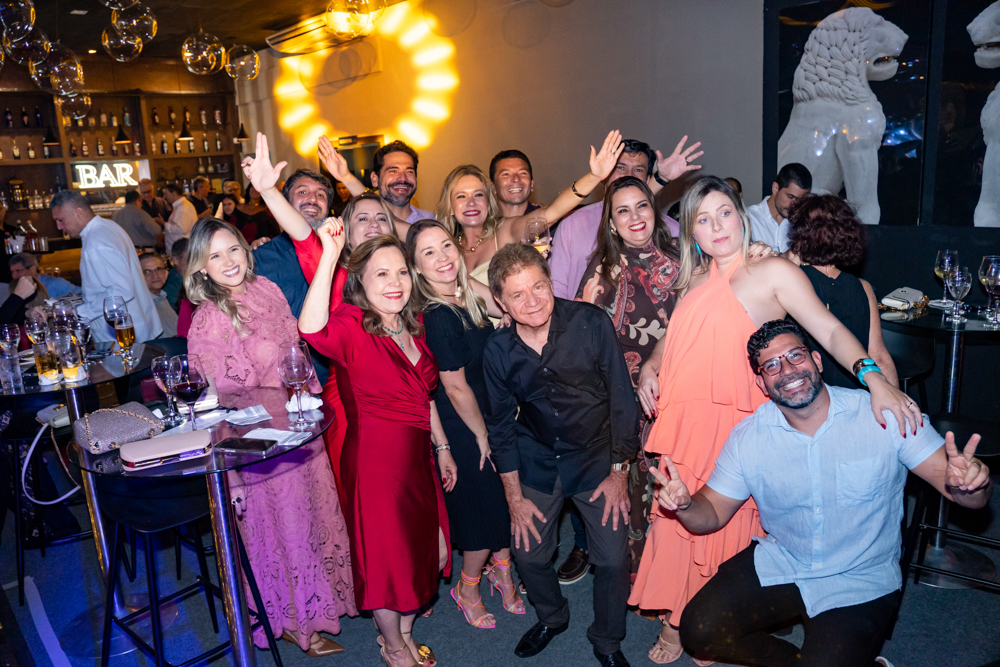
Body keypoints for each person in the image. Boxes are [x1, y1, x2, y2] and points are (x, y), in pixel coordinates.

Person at [629, 176, 920, 665]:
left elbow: (829, 329)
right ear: (691, 232)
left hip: (735, 421)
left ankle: (705, 618)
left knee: (724, 521)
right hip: (685, 418)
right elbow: (672, 337)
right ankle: (675, 618)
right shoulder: (694, 278)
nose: (717, 227)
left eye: (725, 213)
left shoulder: (773, 271)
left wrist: (874, 378)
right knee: (677, 516)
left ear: (741, 216)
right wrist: (650, 367)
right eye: (704, 219)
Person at [656, 319, 993, 666]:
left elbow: (963, 493)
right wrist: (685, 505)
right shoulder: (748, 437)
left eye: (795, 355)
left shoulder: (884, 415)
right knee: (699, 631)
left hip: (859, 578)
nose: (787, 370)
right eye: (771, 365)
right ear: (761, 382)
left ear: (816, 360)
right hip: (786, 561)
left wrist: (972, 485)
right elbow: (711, 512)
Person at [184, 217, 357, 656]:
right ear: (201, 267)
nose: (229, 261)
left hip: (299, 430)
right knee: (284, 534)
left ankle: (320, 606)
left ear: (246, 250)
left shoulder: (267, 289)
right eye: (215, 255)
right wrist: (233, 476)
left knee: (314, 522)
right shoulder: (208, 320)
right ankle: (298, 626)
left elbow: (296, 355)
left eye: (233, 249)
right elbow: (214, 408)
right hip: (258, 449)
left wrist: (306, 407)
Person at [299, 227, 454, 667]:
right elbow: (310, 328)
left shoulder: (412, 325)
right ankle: (393, 646)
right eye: (381, 274)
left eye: (401, 272)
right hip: (375, 465)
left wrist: (442, 446)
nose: (395, 282)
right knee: (386, 562)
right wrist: (330, 254)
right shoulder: (352, 326)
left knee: (427, 550)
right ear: (361, 282)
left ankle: (403, 632)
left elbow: (424, 397)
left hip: (417, 460)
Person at [483, 244, 639, 667]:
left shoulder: (590, 323)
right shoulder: (497, 350)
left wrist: (619, 473)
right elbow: (500, 427)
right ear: (500, 301)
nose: (532, 300)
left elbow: (622, 400)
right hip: (538, 457)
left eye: (538, 286)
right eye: (517, 294)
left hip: (596, 457)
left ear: (551, 281)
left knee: (612, 558)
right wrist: (514, 498)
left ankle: (607, 641)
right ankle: (553, 617)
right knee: (528, 555)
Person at [405, 219, 524, 630]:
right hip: (464, 422)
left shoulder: (461, 293)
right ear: (415, 267)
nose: (442, 257)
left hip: (487, 412)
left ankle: (502, 572)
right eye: (429, 253)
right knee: (484, 509)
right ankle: (467, 587)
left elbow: (499, 304)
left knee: (505, 497)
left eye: (446, 246)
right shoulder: (437, 314)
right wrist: (482, 434)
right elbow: (455, 387)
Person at [574, 176, 680, 582]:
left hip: (684, 388)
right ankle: (646, 578)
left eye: (642, 206)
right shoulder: (603, 271)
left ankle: (680, 578)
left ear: (655, 211)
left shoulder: (684, 256)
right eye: (623, 210)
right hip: (631, 399)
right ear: (612, 223)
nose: (635, 217)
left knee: (682, 486)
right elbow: (583, 346)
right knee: (642, 490)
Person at [440, 131, 625, 290]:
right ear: (450, 205)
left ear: (487, 199)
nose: (471, 202)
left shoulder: (503, 231)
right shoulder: (443, 245)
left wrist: (594, 177)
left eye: (478, 195)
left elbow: (550, 213)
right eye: (461, 196)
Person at [550, 136, 703, 301]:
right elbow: (556, 286)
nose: (628, 175)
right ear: (604, 175)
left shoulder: (671, 230)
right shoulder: (574, 223)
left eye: (638, 170)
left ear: (647, 179)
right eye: (621, 167)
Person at [786, 194, 898, 388]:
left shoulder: (790, 282)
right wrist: (897, 400)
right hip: (857, 394)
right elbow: (879, 356)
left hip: (809, 395)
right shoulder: (864, 288)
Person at [50, 191, 161, 343]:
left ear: (78, 212)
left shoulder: (96, 241)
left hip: (122, 333)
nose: (59, 226)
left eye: (60, 220)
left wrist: (78, 312)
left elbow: (121, 291)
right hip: (137, 324)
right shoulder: (108, 226)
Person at [252, 167, 333, 317]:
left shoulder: (341, 255)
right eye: (302, 192)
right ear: (285, 202)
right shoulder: (261, 258)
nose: (313, 199)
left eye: (320, 195)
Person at [745, 162, 812, 254]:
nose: (795, 204)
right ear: (775, 188)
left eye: (801, 200)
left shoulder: (803, 224)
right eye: (791, 197)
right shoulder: (748, 218)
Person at [489, 149, 541, 218]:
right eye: (506, 174)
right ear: (493, 187)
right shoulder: (483, 223)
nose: (516, 179)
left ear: (531, 184)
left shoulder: (547, 220)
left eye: (523, 173)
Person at [138, 253, 179, 337]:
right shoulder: (140, 305)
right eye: (147, 272)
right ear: (138, 277)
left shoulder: (162, 297)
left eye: (158, 269)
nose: (155, 275)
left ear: (166, 273)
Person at [9, 253, 78, 298]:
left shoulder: (55, 283)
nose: (14, 276)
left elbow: (80, 295)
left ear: (33, 269)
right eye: (12, 272)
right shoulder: (15, 288)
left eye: (18, 271)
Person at [162, 183, 198, 256]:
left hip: (181, 251)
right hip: (180, 250)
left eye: (166, 194)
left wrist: (164, 223)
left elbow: (181, 229)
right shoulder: (180, 206)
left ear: (174, 194)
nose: (164, 197)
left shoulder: (183, 207)